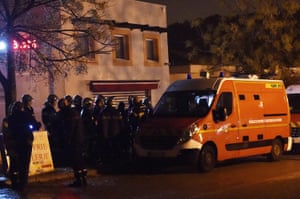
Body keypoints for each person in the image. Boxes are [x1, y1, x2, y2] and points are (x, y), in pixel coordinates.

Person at [7, 101, 40, 190]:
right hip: (26, 143)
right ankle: (23, 183)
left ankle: (14, 182)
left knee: (14, 163)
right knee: (24, 164)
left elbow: (7, 131)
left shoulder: (9, 118)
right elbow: (36, 126)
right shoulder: (27, 116)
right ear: (22, 108)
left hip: (14, 143)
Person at [61, 96, 87, 187]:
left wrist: (68, 139)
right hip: (80, 138)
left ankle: (79, 180)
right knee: (81, 160)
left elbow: (70, 129)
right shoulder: (76, 112)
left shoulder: (68, 114)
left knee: (76, 160)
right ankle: (83, 179)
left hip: (74, 140)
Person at [41, 94, 59, 164]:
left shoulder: (51, 109)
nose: (56, 103)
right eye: (55, 101)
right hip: (51, 130)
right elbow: (47, 120)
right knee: (53, 146)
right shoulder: (48, 109)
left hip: (54, 130)